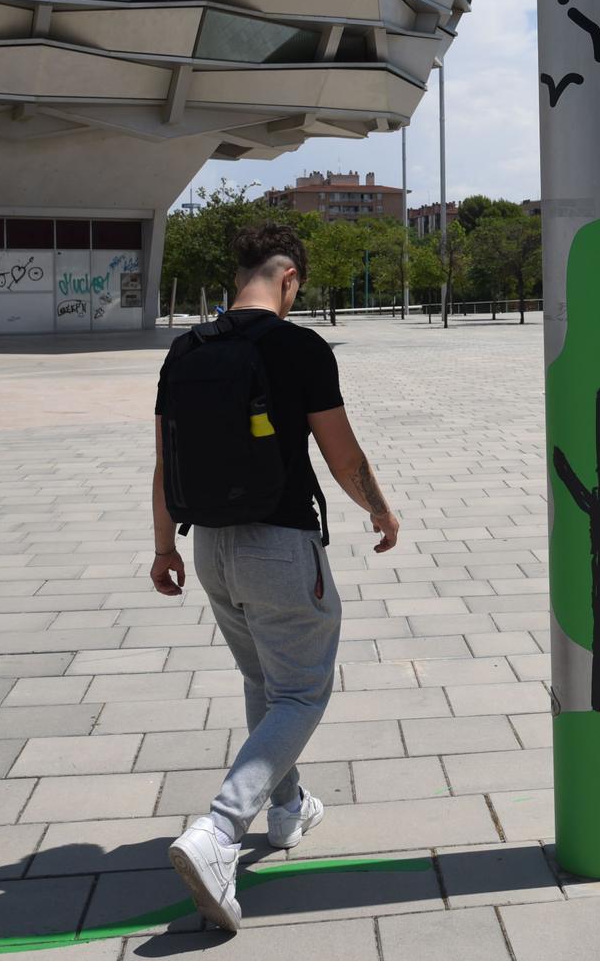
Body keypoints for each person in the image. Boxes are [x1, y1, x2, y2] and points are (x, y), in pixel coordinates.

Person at [149, 222, 401, 930]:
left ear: (245, 272)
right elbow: (342, 454)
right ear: (289, 277)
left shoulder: (186, 349)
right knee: (300, 691)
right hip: (280, 547)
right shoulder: (298, 346)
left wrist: (163, 547)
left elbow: (166, 462)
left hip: (210, 552)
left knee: (265, 683)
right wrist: (381, 509)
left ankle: (287, 807)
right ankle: (219, 831)